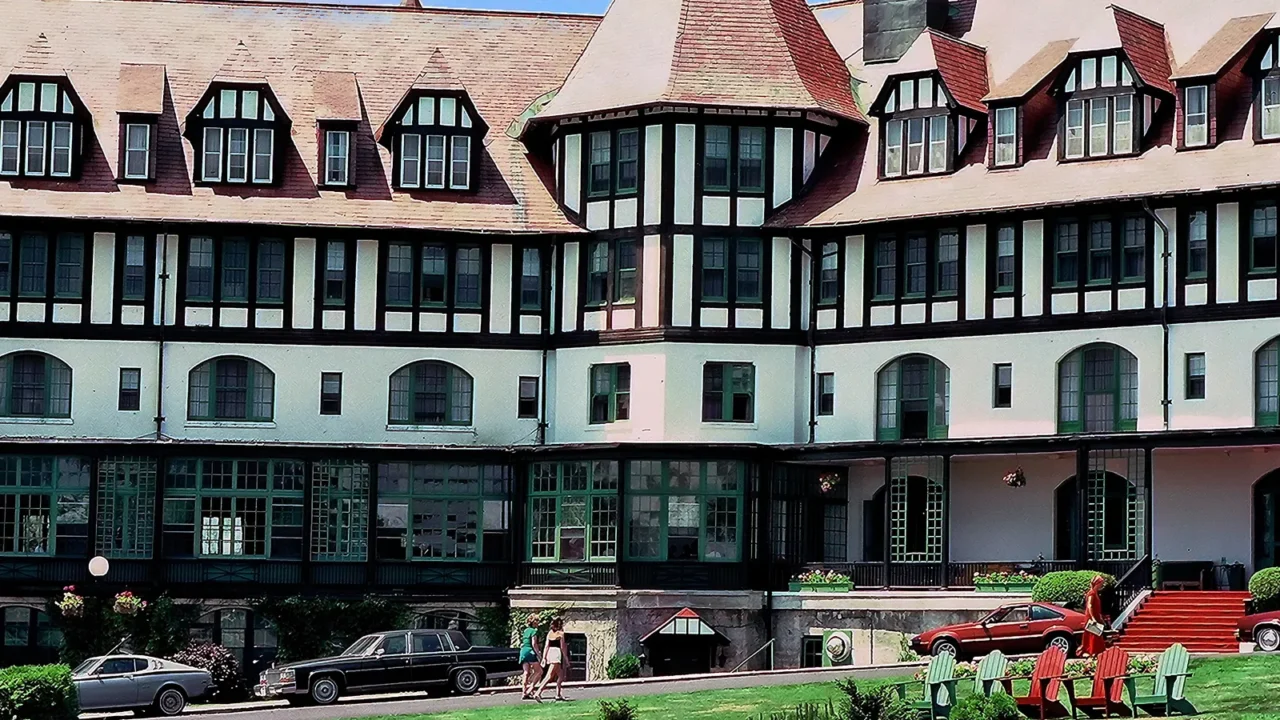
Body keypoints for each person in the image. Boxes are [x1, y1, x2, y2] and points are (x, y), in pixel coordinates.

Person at [534, 617, 569, 702]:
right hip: (556, 653)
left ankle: (558, 694)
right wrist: (566, 659)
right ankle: (538, 692)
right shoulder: (561, 634)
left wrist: (544, 658)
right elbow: (562, 647)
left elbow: (546, 646)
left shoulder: (550, 633)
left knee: (561, 675)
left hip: (550, 653)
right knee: (549, 675)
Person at [1080, 574, 1108, 657]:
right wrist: (1093, 618)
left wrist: (1100, 618)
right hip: (1091, 618)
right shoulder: (1091, 593)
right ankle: (1091, 652)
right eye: (1100, 584)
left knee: (1097, 635)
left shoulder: (1095, 593)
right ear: (1097, 584)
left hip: (1096, 616)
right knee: (1093, 635)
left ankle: (1097, 652)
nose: (1101, 585)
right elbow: (1089, 606)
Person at [518, 614, 542, 700]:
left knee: (526, 672)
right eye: (537, 621)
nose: (538, 623)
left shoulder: (525, 630)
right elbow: (534, 644)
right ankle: (530, 689)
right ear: (533, 622)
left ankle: (524, 691)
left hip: (523, 651)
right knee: (539, 671)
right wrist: (539, 655)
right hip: (530, 651)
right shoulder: (533, 631)